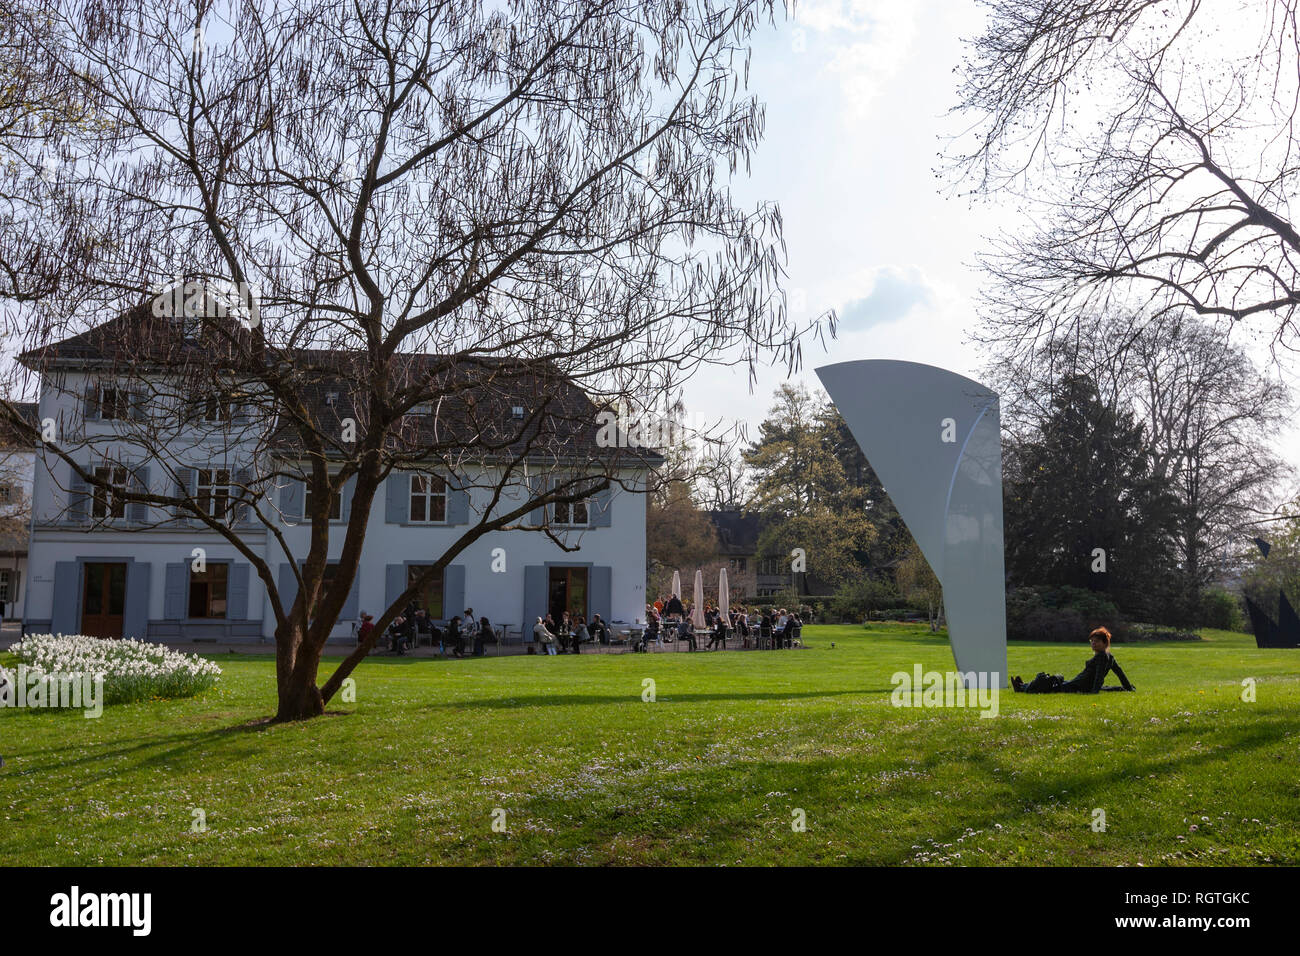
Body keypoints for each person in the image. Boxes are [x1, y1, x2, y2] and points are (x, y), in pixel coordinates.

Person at [1012, 627, 1136, 694]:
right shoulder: (1109, 656)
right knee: (1055, 683)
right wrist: (1128, 688)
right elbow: (1120, 674)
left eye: (1096, 641)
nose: (1093, 644)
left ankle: (1022, 688)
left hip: (1077, 686)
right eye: (1091, 641)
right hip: (1077, 684)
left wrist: (1094, 692)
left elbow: (1099, 677)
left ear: (1105, 643)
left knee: (1050, 683)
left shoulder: (1102, 657)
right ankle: (1023, 686)